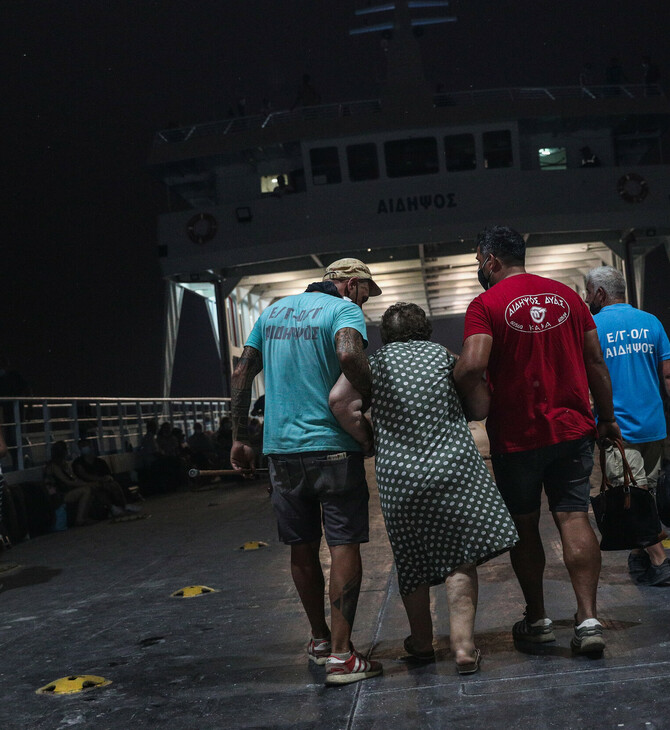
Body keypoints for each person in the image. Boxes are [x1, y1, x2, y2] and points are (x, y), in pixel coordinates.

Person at [453, 226, 621, 656]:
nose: (478, 269)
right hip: (572, 429)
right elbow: (595, 361)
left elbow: (472, 366)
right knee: (573, 516)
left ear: (491, 260)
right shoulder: (566, 296)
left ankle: (538, 618)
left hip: (517, 436)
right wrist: (606, 419)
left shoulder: (485, 304)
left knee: (525, 526)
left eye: (478, 262)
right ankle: (587, 620)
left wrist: (474, 401)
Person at [330, 303, 518, 674]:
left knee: (412, 560)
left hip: (400, 478)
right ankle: (463, 648)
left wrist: (367, 438)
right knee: (460, 557)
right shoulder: (445, 358)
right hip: (453, 469)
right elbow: (480, 407)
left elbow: (339, 402)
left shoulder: (375, 364)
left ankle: (420, 643)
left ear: (386, 334)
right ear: (426, 329)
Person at [229, 258, 384, 685]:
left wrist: (240, 436)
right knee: (344, 544)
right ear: (350, 285)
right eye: (366, 292)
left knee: (301, 545)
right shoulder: (343, 310)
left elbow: (243, 373)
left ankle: (319, 640)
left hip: (281, 450)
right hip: (333, 448)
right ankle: (342, 656)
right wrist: (369, 397)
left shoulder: (273, 310)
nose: (366, 302)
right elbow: (350, 353)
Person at [585, 266, 670, 585]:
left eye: (588, 292)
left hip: (616, 429)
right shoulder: (651, 322)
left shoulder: (590, 327)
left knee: (627, 497)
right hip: (653, 425)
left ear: (600, 294)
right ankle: (641, 557)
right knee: (643, 493)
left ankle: (660, 561)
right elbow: (667, 375)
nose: (586, 298)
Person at [72, 438, 141, 517]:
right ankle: (112, 508)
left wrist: (105, 479)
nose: (84, 448)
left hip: (103, 482)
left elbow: (107, 475)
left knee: (114, 484)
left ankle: (124, 505)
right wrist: (100, 479)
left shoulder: (100, 462)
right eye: (82, 446)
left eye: (86, 445)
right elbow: (83, 475)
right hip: (88, 484)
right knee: (96, 488)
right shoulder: (77, 463)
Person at [44, 441, 94, 527]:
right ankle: (79, 519)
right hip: (58, 495)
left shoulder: (64, 464)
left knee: (91, 489)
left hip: (66, 491)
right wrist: (85, 484)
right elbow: (66, 481)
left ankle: (85, 516)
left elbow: (73, 478)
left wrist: (84, 483)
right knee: (86, 490)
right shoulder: (53, 466)